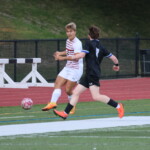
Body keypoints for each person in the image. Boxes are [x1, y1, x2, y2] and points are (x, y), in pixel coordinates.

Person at [53, 25, 124, 119]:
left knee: (96, 96)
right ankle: (65, 113)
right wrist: (116, 65)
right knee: (76, 93)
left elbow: (81, 55)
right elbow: (114, 58)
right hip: (89, 74)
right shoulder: (102, 47)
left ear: (89, 36)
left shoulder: (88, 43)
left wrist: (63, 58)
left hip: (92, 74)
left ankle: (118, 106)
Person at [42, 22, 83, 114]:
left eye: (71, 31)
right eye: (67, 31)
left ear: (75, 32)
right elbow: (69, 51)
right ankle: (52, 103)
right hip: (68, 66)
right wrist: (60, 53)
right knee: (57, 83)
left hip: (76, 69)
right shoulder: (68, 40)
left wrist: (62, 58)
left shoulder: (77, 43)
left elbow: (76, 57)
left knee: (68, 90)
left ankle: (72, 105)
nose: (69, 33)